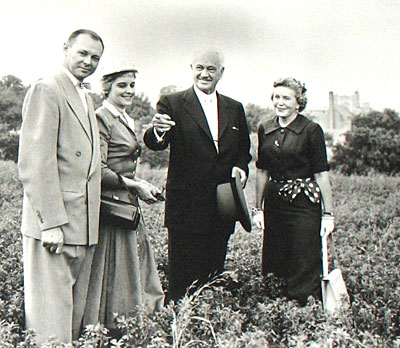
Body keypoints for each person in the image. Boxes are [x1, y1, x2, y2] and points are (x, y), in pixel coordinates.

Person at [143, 49, 252, 302]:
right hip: (186, 206)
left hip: (223, 205)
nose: (204, 74)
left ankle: (209, 322)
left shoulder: (234, 108)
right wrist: (157, 131)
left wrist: (241, 168)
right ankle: (180, 327)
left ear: (221, 73)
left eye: (211, 69)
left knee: (213, 273)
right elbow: (156, 142)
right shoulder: (172, 102)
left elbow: (243, 151)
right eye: (199, 68)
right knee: (182, 277)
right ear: (191, 68)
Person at [18, 29, 104, 344]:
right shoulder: (48, 88)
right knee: (49, 325)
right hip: (56, 225)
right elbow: (35, 162)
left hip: (81, 226)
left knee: (68, 320)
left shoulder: (85, 94)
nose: (88, 61)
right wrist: (51, 222)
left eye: (95, 57)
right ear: (65, 49)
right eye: (82, 53)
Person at [82, 65, 164, 332]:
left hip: (126, 199)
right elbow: (98, 168)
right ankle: (109, 326)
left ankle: (131, 323)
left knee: (130, 262)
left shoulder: (125, 118)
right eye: (122, 86)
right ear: (107, 89)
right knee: (111, 266)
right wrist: (135, 185)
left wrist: (140, 185)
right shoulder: (101, 118)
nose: (129, 90)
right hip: (110, 204)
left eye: (131, 85)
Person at [253, 77, 335, 306]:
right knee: (275, 256)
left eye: (286, 98)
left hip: (303, 204)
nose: (280, 102)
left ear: (298, 103)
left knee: (304, 257)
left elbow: (321, 174)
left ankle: (304, 309)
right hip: (275, 203)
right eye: (276, 97)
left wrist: (328, 214)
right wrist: (257, 209)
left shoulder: (311, 130)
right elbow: (262, 171)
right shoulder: (265, 128)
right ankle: (276, 309)